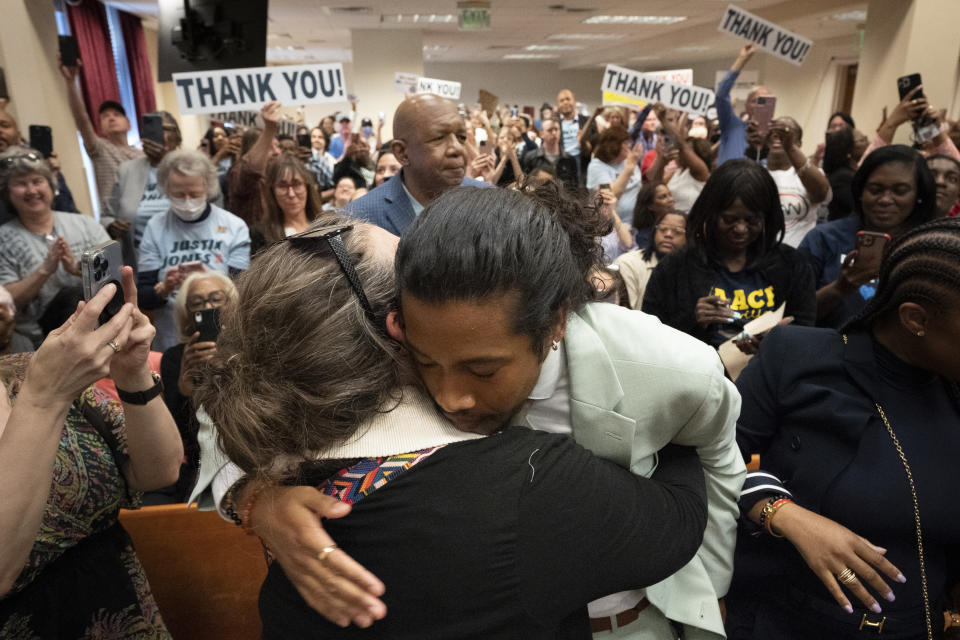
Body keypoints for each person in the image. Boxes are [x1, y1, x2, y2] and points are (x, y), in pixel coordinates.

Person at [194, 214, 708, 638]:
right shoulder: (527, 484)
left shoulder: (282, 455)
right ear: (396, 332)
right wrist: (679, 418)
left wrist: (256, 498)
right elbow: (679, 521)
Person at [726, 217, 960, 640]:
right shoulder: (799, 357)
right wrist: (783, 513)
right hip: (788, 621)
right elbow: (704, 460)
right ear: (914, 318)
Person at [0, 267, 183, 637]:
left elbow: (159, 471)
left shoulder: (27, 371)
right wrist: (44, 400)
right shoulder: (44, 385)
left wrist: (132, 373)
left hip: (125, 613)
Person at [643, 159, 817, 352]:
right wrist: (693, 321)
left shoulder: (791, 265)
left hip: (766, 374)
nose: (741, 229)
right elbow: (650, 336)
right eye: (729, 219)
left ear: (766, 218)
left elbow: (805, 329)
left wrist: (776, 340)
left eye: (752, 220)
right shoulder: (676, 267)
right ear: (711, 214)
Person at [798, 145, 937, 329]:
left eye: (900, 191)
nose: (886, 199)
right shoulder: (824, 238)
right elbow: (792, 314)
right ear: (860, 192)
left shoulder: (930, 247)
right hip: (830, 349)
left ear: (919, 195)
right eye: (875, 189)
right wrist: (840, 289)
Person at [136, 150, 250, 351]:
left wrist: (209, 283)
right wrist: (164, 288)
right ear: (166, 189)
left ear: (208, 188)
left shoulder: (234, 226)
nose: (187, 201)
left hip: (224, 335)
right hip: (173, 337)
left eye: (195, 194)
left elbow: (241, 291)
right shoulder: (155, 227)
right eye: (179, 195)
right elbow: (143, 295)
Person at [0, 148, 111, 348]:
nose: (32, 190)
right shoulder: (3, 239)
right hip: (36, 343)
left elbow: (115, 277)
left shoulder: (85, 224)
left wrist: (77, 269)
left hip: (96, 333)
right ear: (7, 193)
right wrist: (45, 271)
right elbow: (7, 301)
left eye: (37, 181)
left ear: (51, 186)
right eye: (20, 184)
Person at [345, 94, 486, 236]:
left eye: (461, 137)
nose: (457, 148)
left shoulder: (489, 204)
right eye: (439, 138)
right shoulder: (358, 221)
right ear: (402, 153)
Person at [159, 271, 237, 503]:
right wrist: (184, 390)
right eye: (197, 303)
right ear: (187, 313)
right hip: (202, 463)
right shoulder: (175, 359)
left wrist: (231, 366)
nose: (208, 307)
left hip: (252, 456)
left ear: (232, 303)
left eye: (216, 299)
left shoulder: (251, 346)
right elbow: (178, 437)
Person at [59, 59, 144, 207]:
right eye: (105, 116)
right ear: (101, 127)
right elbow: (81, 118)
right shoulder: (100, 149)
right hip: (115, 221)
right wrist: (70, 81)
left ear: (128, 124)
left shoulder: (142, 155)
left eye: (116, 115)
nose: (111, 118)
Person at [104, 111, 182, 267]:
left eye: (164, 129)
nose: (158, 135)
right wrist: (112, 226)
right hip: (140, 262)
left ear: (177, 136)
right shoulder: (126, 170)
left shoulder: (191, 167)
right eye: (151, 130)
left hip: (182, 257)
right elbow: (107, 215)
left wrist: (166, 159)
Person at [0, 100, 79, 223]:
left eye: (4, 125)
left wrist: (53, 179)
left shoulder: (39, 168)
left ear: (18, 136)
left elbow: (69, 214)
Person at [762, 117, 831, 247]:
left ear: (798, 143)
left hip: (799, 258)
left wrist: (790, 147)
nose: (779, 134)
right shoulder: (758, 173)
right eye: (775, 130)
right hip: (763, 257)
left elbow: (821, 193)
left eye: (787, 131)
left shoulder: (810, 174)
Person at [615, 209, 688, 309]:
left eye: (678, 232)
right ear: (654, 232)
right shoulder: (628, 264)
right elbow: (623, 314)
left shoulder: (694, 269)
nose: (668, 234)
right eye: (663, 229)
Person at [253, 153, 325, 253]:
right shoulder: (260, 234)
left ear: (307, 186)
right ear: (272, 191)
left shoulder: (326, 223)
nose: (291, 194)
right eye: (282, 186)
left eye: (296, 184)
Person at [227, 102, 283, 227]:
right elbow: (251, 169)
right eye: (269, 147)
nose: (277, 152)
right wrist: (269, 128)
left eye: (278, 146)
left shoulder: (277, 174)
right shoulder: (239, 173)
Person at [645, 110, 712, 214]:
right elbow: (656, 185)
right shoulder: (678, 171)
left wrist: (664, 120)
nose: (679, 153)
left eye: (684, 153)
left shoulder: (701, 172)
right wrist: (662, 160)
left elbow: (681, 145)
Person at [716, 44, 769, 166]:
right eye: (755, 101)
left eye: (764, 102)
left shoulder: (773, 136)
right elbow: (721, 96)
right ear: (746, 105)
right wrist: (742, 60)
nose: (759, 106)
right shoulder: (732, 125)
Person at [586, 126, 643, 224]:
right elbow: (609, 197)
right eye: (625, 142)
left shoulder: (628, 160)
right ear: (614, 145)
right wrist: (629, 169)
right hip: (614, 224)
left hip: (637, 220)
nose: (629, 145)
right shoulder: (596, 166)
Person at [823, 127, 870, 221]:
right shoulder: (842, 177)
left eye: (865, 138)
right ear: (848, 149)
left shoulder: (854, 171)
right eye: (862, 140)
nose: (868, 142)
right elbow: (858, 208)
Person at [521, 117, 579, 190]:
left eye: (556, 129)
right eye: (550, 130)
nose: (554, 133)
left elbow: (575, 188)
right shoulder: (531, 157)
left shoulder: (569, 158)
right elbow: (524, 183)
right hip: (537, 198)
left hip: (563, 199)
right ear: (541, 134)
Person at [631, 180, 676, 248]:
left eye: (670, 195)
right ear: (650, 206)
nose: (671, 199)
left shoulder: (681, 227)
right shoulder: (643, 237)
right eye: (663, 197)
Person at [557, 88, 588, 181]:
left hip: (583, 162)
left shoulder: (586, 121)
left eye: (568, 99)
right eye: (562, 100)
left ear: (574, 102)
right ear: (558, 105)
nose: (565, 102)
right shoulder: (555, 124)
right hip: (562, 161)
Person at [307, 126, 336, 192]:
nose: (316, 140)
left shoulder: (331, 160)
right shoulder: (306, 156)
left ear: (326, 140)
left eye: (320, 137)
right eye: (313, 137)